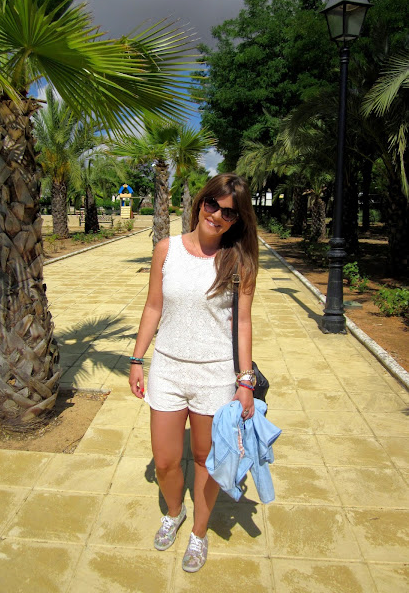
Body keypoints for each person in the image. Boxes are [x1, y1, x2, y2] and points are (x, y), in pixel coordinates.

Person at [129, 173, 259, 572]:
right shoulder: (166, 249)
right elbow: (153, 306)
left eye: (228, 213)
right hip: (167, 369)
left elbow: (242, 324)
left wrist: (245, 381)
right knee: (166, 461)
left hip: (215, 376)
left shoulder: (238, 262)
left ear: (236, 221)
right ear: (201, 202)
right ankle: (175, 512)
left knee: (205, 459)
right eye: (212, 204)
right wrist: (137, 359)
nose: (216, 215)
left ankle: (199, 533)